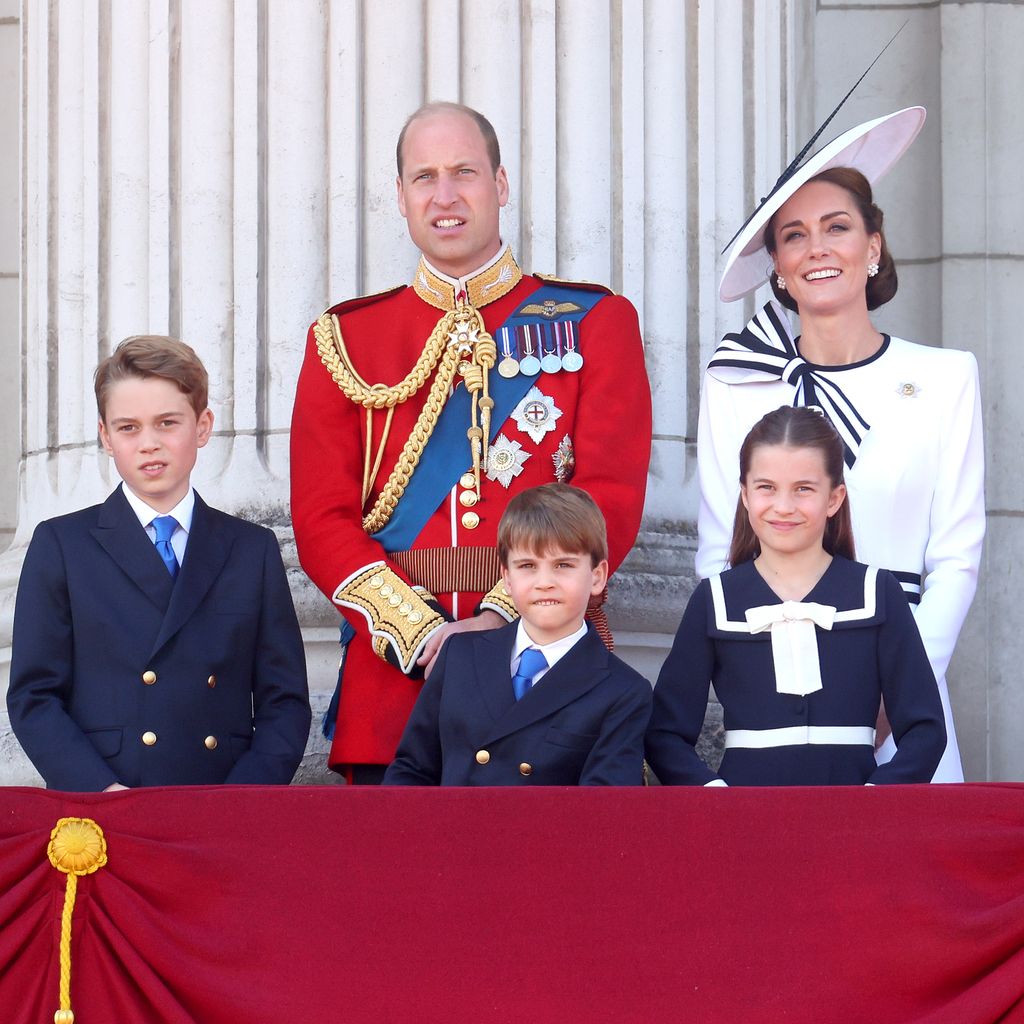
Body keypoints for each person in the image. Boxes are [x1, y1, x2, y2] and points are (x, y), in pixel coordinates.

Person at [291, 102, 651, 782]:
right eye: (424, 177)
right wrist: (422, 637)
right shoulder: (344, 340)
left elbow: (610, 492)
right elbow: (320, 519)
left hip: (546, 680)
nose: (445, 195)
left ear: (501, 185)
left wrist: (499, 620)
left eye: (465, 172)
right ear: (400, 197)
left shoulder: (594, 322)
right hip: (394, 690)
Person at [698, 108, 983, 782]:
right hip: (775, 698)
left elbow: (956, 559)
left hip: (905, 706)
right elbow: (718, 555)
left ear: (874, 245)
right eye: (794, 236)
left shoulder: (947, 377)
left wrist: (895, 689)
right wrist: (762, 682)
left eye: (837, 228)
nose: (817, 249)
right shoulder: (735, 382)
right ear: (777, 265)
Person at [7, 336, 311, 791]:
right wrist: (102, 793)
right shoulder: (62, 544)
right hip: (107, 804)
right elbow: (34, 695)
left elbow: (284, 701)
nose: (149, 443)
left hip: (222, 801)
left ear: (203, 426)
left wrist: (243, 799)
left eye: (167, 423)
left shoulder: (252, 549)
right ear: (106, 437)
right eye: (128, 427)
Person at [647, 406, 945, 786]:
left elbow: (926, 729)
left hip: (855, 823)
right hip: (744, 821)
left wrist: (877, 799)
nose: (783, 507)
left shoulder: (878, 592)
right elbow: (664, 733)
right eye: (766, 487)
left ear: (834, 498)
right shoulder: (715, 599)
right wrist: (713, 796)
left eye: (803, 489)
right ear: (744, 494)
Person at [384, 484, 652, 785]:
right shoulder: (458, 655)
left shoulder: (623, 691)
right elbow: (411, 771)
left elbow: (603, 813)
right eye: (527, 566)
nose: (544, 582)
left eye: (563, 565)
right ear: (507, 579)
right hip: (446, 831)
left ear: (597, 576)